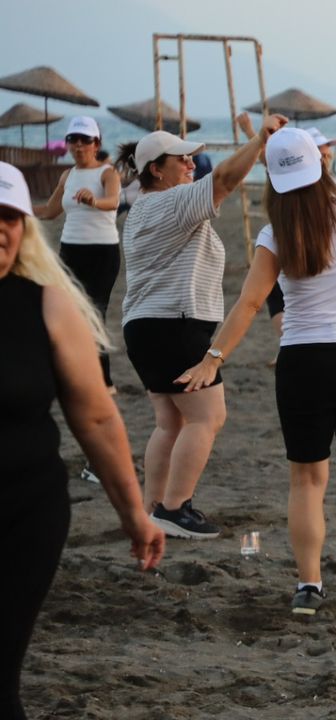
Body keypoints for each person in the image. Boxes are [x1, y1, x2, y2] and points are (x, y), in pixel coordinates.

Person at [174, 128, 336, 614]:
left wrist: (212, 358)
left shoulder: (275, 233)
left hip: (305, 362)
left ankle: (310, 588)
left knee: (307, 481)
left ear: (273, 179)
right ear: (320, 166)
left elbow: (250, 303)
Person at [0, 161, 164, 719]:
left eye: (10, 217)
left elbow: (95, 418)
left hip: (23, 514)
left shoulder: (47, 304)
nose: (0, 229)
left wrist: (134, 513)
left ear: (24, 228)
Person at [115, 112, 287, 538]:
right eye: (181, 159)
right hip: (173, 325)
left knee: (170, 423)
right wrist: (258, 141)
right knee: (207, 417)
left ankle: (153, 508)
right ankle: (175, 509)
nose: (191, 163)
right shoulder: (170, 201)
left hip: (144, 327)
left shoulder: (140, 209)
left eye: (191, 157)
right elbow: (225, 180)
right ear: (157, 170)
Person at [33, 116, 121, 395]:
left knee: (94, 312)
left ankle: (105, 382)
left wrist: (94, 200)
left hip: (102, 252)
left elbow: (113, 201)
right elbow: (49, 211)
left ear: (96, 143)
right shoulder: (67, 175)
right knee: (65, 311)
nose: (79, 145)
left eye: (85, 139)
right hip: (70, 250)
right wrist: (16, 206)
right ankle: (73, 372)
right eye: (73, 139)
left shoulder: (107, 173)